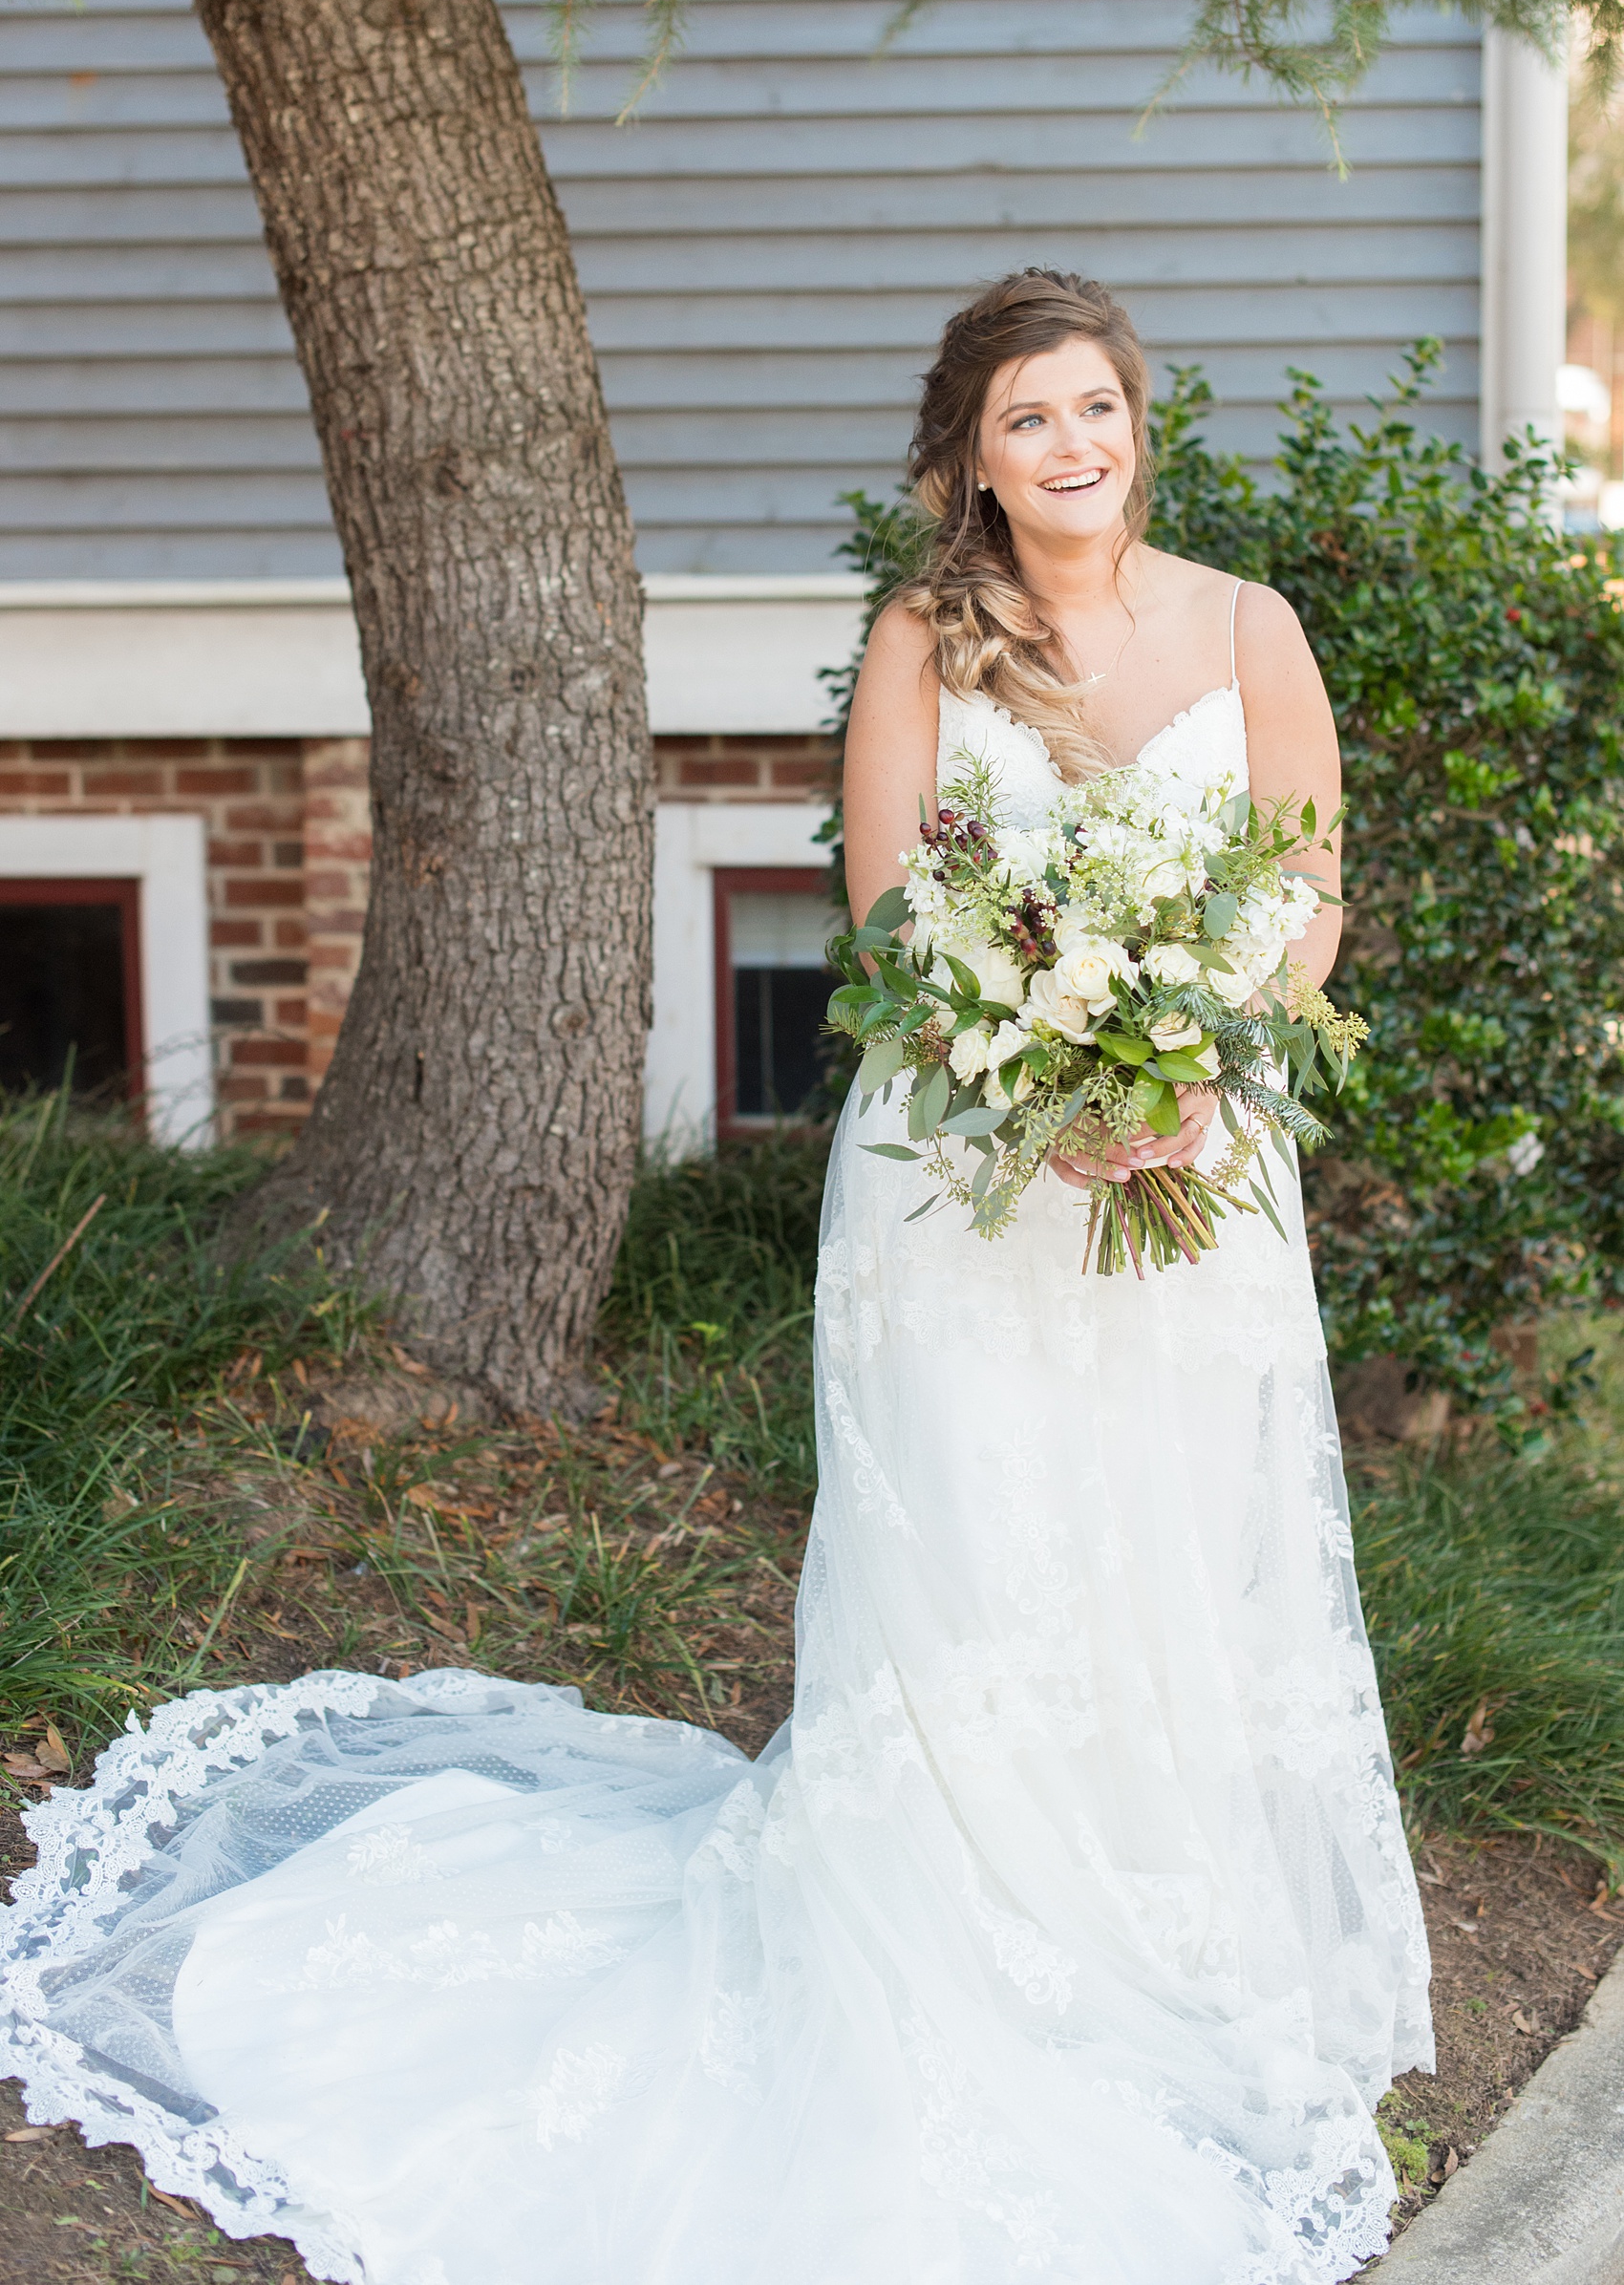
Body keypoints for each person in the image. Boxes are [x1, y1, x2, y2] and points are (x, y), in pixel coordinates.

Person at [0, 271, 1431, 2285]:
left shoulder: (1246, 626)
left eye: (1094, 404)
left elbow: (1303, 881)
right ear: (968, 456)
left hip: (1204, 1172)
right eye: (1026, 418)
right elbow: (887, 910)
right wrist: (1049, 1077)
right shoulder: (923, 635)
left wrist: (1195, 1081)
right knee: (980, 1540)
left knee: (1177, 1539)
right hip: (967, 1172)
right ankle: (958, 1927)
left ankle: (1164, 1926)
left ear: (1140, 421)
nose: (1071, 445)